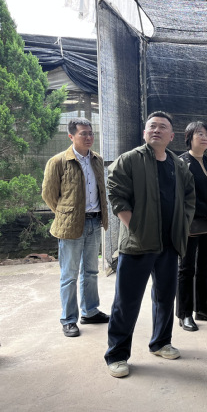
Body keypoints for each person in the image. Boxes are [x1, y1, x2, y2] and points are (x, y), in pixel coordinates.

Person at [104, 112, 196, 378]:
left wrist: (182, 224)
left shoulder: (178, 165)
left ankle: (161, 342)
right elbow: (115, 191)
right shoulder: (130, 159)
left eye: (162, 127)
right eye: (152, 126)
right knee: (127, 301)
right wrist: (133, 225)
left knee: (165, 297)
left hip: (169, 243)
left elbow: (189, 196)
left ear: (171, 136)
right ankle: (117, 355)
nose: (156, 130)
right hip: (137, 243)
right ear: (144, 133)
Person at [42, 118, 109, 338]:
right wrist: (66, 214)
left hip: (94, 221)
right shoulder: (58, 162)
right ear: (71, 136)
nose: (89, 137)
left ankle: (90, 311)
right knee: (69, 275)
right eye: (83, 134)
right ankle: (69, 319)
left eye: (91, 133)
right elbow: (49, 195)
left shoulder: (97, 159)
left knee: (91, 271)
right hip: (71, 224)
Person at [176, 121, 207, 332]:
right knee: (186, 268)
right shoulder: (181, 163)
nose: (205, 138)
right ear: (189, 137)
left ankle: (202, 309)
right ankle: (185, 313)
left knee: (204, 265)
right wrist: (203, 211)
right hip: (189, 223)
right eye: (200, 134)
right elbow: (178, 195)